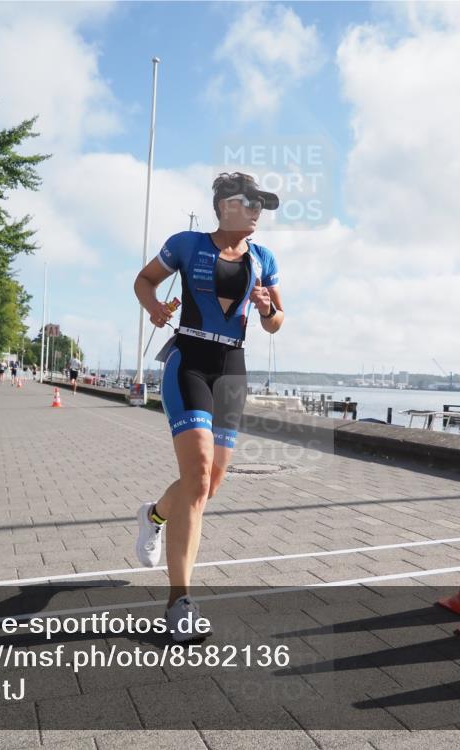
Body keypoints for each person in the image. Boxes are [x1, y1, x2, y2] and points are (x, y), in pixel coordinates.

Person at [132, 172, 284, 641]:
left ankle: (154, 515)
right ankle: (180, 603)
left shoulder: (263, 258)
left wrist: (265, 309)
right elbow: (144, 281)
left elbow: (278, 322)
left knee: (210, 485)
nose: (258, 211)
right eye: (250, 202)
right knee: (198, 476)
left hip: (232, 366)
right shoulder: (186, 244)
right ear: (224, 205)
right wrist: (155, 308)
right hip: (190, 361)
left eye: (262, 204)